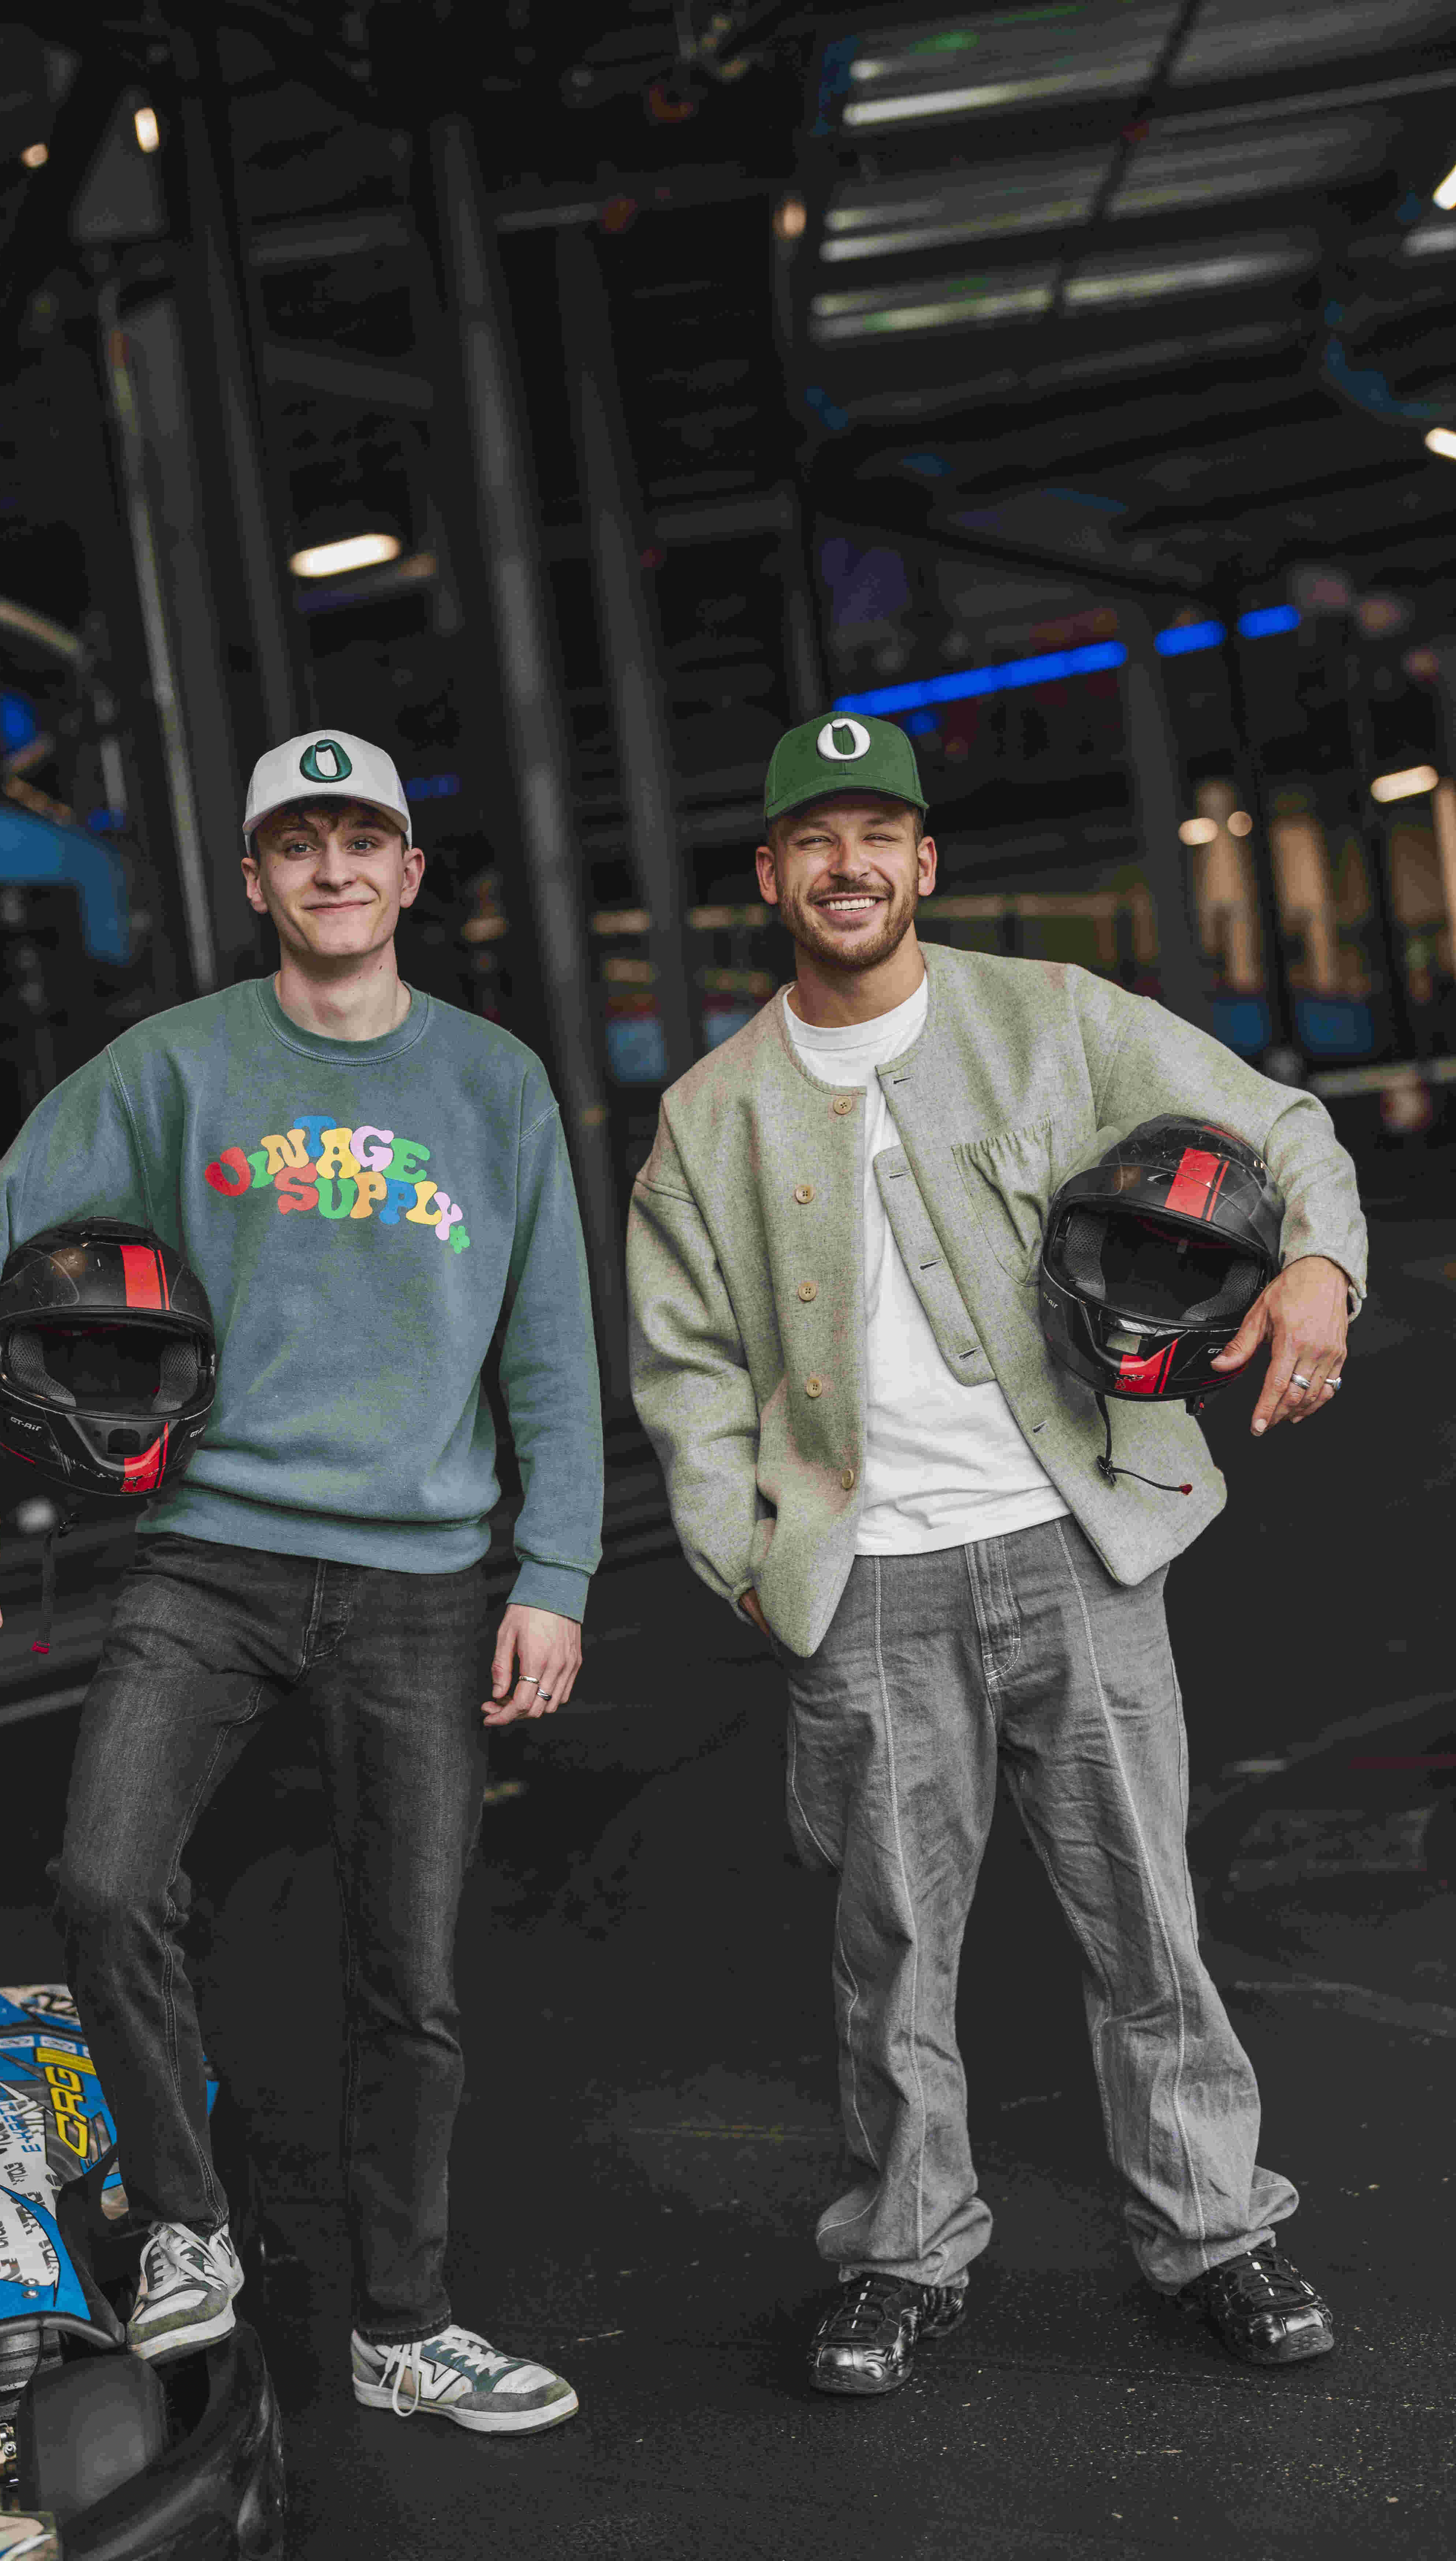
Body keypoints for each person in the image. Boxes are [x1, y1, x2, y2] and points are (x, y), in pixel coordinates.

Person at [626, 711, 1365, 2397]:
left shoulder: (1049, 1020)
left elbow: (1281, 1124)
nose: (849, 865)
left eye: (877, 834)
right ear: (770, 876)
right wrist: (754, 1559)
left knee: (1144, 1922)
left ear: (922, 865)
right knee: (891, 1947)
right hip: (863, 1583)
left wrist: (1318, 1267)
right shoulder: (711, 1115)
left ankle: (1216, 2231)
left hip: (1073, 1546)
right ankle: (901, 2253)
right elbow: (682, 1376)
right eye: (814, 841)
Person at [0, 728, 601, 2435]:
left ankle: (402, 2327)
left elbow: (554, 1352)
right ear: (255, 881)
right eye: (301, 844)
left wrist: (556, 1569)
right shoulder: (173, 1069)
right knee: (100, 1879)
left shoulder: (493, 1086)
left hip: (424, 1584)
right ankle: (185, 2224)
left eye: (366, 840)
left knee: (407, 1973)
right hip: (208, 1558)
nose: (335, 869)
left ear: (411, 875)